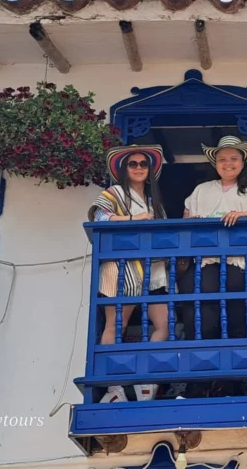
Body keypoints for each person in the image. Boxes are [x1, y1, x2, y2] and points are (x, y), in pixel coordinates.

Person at [88, 144, 170, 404]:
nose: (138, 168)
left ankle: (147, 380)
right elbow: (98, 218)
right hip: (122, 266)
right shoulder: (114, 193)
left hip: (152, 268)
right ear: (124, 170)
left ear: (150, 169)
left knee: (164, 324)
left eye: (142, 164)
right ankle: (115, 388)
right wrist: (133, 220)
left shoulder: (153, 200)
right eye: (132, 164)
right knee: (116, 326)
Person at [180, 136, 247, 341]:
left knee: (238, 314)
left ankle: (239, 370)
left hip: (242, 261)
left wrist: (244, 215)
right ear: (215, 164)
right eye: (222, 159)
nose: (228, 164)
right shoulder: (202, 190)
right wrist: (195, 220)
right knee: (203, 312)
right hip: (207, 259)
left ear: (243, 162)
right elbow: (186, 220)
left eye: (233, 158)